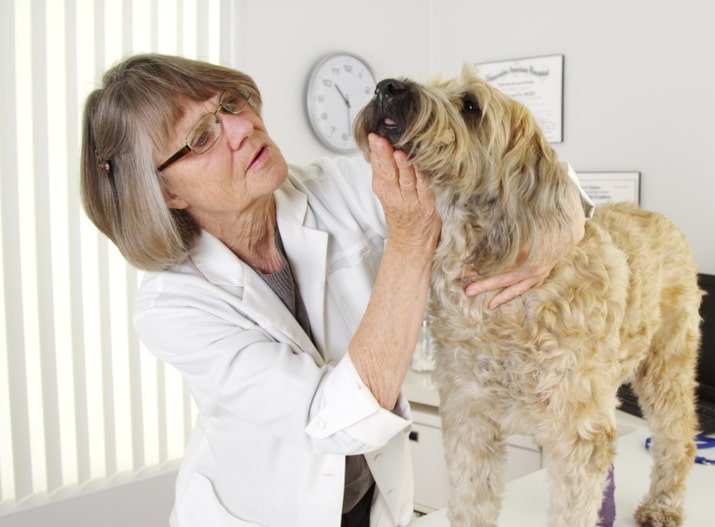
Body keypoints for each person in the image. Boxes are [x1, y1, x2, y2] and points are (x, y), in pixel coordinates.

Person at [79, 53, 585, 527]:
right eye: (202, 137)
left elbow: (519, 181)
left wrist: (567, 224)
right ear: (166, 191)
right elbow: (336, 421)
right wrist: (410, 240)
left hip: (375, 501)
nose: (241, 127)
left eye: (230, 104)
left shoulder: (334, 186)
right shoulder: (172, 309)